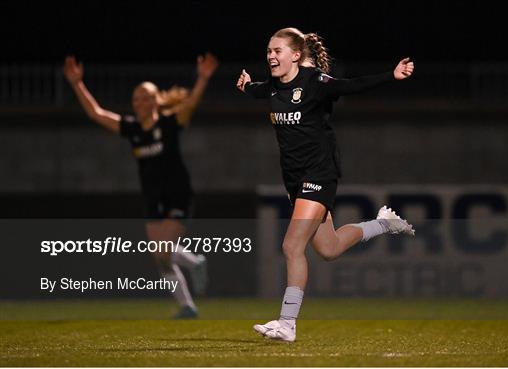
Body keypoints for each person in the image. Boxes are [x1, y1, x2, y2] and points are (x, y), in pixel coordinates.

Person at [237, 28, 415, 341]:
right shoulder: (273, 88)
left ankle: (287, 323)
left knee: (291, 246)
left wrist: (391, 75)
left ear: (295, 55)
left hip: (318, 174)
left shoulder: (315, 82)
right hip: (295, 180)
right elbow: (256, 90)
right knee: (329, 249)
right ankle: (384, 225)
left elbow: (352, 86)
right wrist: (245, 85)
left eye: (277, 51)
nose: (271, 56)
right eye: (268, 51)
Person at [64, 53, 219, 318]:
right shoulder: (133, 128)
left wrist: (202, 78)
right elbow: (96, 113)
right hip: (152, 197)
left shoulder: (169, 124)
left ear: (156, 100)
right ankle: (188, 303)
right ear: (134, 104)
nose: (142, 101)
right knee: (160, 256)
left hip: (177, 195)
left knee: (163, 249)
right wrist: (77, 83)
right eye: (137, 97)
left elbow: (190, 104)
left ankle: (194, 265)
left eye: (147, 95)